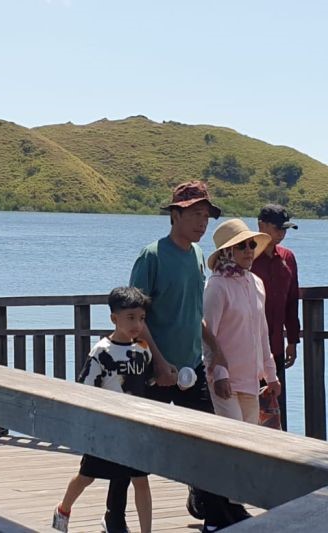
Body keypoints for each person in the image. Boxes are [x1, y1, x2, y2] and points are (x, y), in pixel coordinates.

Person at [106, 180, 248, 533]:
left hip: (190, 367)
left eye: (207, 216)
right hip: (152, 370)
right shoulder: (152, 256)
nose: (203, 223)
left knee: (207, 440)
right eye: (196, 215)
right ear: (175, 215)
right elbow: (133, 316)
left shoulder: (198, 256)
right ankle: (115, 516)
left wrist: (214, 348)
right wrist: (158, 361)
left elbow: (193, 311)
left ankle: (216, 515)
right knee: (133, 446)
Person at [52, 287, 153, 533]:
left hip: (135, 429)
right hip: (106, 430)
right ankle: (63, 508)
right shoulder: (101, 352)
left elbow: (147, 382)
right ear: (114, 318)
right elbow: (85, 389)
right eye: (130, 318)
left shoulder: (143, 349)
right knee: (87, 475)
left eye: (141, 318)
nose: (137, 324)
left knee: (141, 480)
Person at [204, 218, 281, 423]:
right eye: (241, 246)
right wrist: (220, 375)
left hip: (251, 380)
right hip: (225, 380)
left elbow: (262, 333)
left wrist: (271, 375)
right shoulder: (216, 286)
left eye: (252, 244)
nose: (249, 250)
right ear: (227, 251)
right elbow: (207, 334)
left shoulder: (256, 282)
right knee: (234, 439)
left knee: (251, 440)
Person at [251, 204, 300, 430]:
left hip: (276, 349)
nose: (282, 233)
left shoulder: (288, 257)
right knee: (249, 410)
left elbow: (292, 301)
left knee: (273, 408)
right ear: (261, 225)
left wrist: (293, 340)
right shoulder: (247, 255)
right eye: (278, 228)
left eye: (285, 229)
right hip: (248, 349)